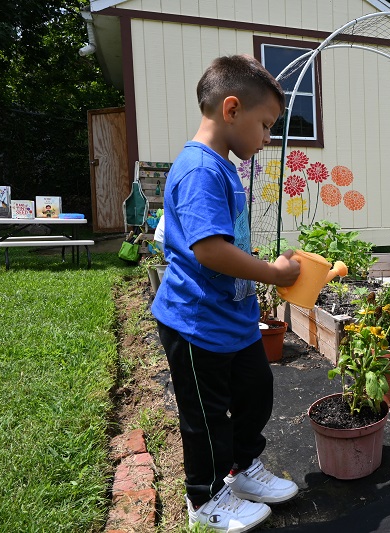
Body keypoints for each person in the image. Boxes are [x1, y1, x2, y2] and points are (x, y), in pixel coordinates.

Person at [151, 54, 301, 532]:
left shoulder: (221, 167)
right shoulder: (199, 169)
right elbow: (210, 251)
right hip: (195, 323)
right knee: (206, 415)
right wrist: (272, 275)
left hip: (231, 318)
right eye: (266, 125)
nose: (268, 137)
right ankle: (206, 497)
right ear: (231, 110)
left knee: (255, 393)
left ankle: (242, 470)